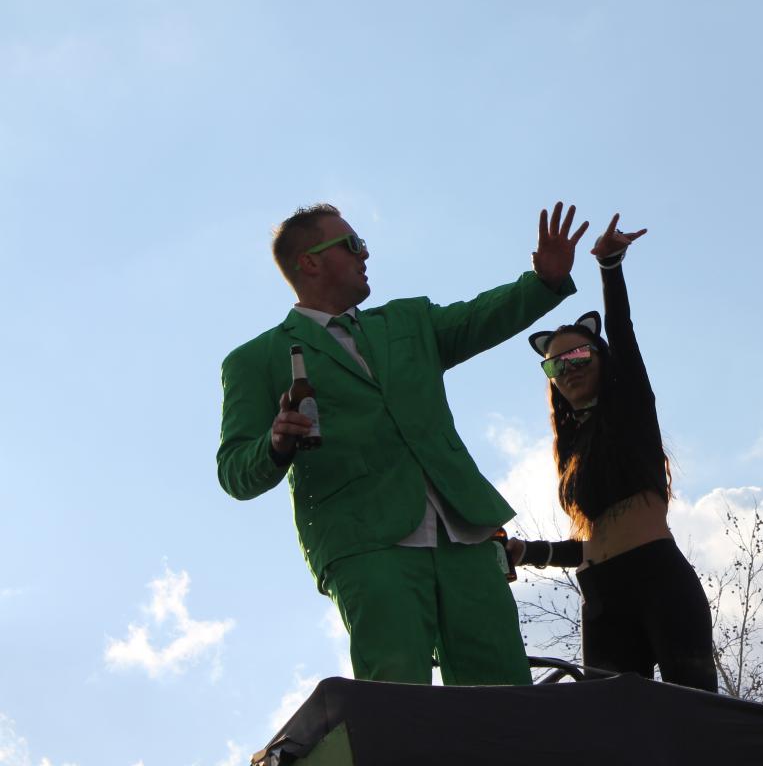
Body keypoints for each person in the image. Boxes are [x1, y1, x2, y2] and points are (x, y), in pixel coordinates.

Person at [217, 201, 586, 686]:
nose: (365, 254)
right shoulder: (255, 359)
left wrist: (542, 282)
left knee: (504, 689)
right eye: (352, 244)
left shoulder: (409, 321)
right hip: (365, 542)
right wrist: (275, 442)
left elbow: (480, 317)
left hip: (465, 530)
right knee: (396, 692)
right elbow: (235, 471)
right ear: (309, 262)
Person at [508, 214, 718, 692]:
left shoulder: (631, 407)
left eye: (579, 356)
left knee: (696, 715)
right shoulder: (572, 451)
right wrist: (527, 552)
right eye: (556, 365)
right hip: (600, 600)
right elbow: (590, 547)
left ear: (602, 358)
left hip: (658, 581)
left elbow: (622, 331)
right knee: (613, 726)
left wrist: (609, 267)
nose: (569, 369)